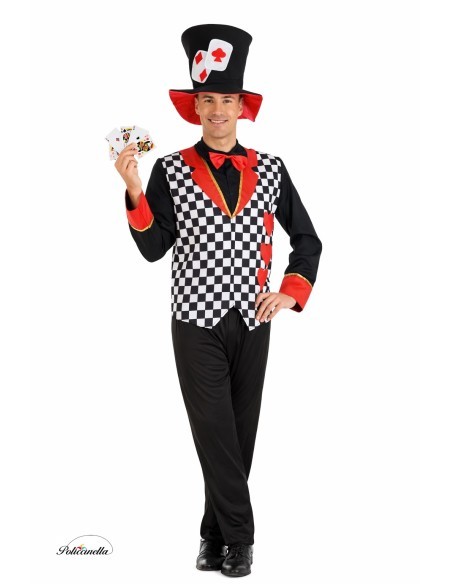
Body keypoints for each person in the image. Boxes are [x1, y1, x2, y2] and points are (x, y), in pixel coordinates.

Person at [114, 23, 322, 578]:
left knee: (238, 435)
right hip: (195, 321)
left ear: (241, 106)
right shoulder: (171, 168)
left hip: (254, 320)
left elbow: (307, 239)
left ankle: (212, 537)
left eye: (227, 100)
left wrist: (290, 292)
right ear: (195, 106)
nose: (217, 110)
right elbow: (154, 248)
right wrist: (134, 190)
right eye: (207, 99)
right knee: (214, 431)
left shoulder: (271, 169)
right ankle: (242, 541)